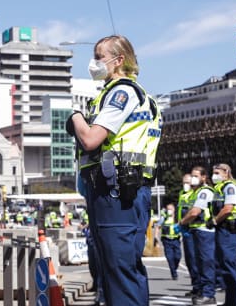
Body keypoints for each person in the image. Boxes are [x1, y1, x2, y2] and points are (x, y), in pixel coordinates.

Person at [66, 35, 159, 306]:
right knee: (117, 270)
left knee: (119, 271)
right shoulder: (117, 93)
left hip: (116, 191)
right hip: (116, 190)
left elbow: (91, 139)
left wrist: (74, 116)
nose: (94, 63)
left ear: (119, 60)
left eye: (99, 56)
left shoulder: (122, 92)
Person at [208, 163, 236, 306]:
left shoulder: (230, 187)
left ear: (226, 172)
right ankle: (231, 301)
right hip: (223, 230)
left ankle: (234, 302)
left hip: (228, 230)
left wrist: (215, 221)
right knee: (225, 267)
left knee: (229, 267)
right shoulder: (220, 188)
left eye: (217, 172)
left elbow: (228, 208)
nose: (214, 175)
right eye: (213, 172)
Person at [179, 166, 216, 305]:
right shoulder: (195, 192)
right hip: (196, 230)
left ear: (203, 177)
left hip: (204, 231)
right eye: (192, 175)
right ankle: (202, 291)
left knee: (206, 263)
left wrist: (182, 221)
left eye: (196, 176)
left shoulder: (204, 192)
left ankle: (209, 295)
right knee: (199, 264)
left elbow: (195, 212)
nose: (193, 178)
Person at [177, 173, 199, 296]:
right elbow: (180, 210)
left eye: (188, 182)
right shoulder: (182, 194)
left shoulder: (195, 194)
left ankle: (198, 287)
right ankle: (195, 286)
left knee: (194, 259)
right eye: (184, 182)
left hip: (191, 229)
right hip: (184, 229)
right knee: (189, 260)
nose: (185, 184)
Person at [155, 203, 181, 280]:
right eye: (168, 209)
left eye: (171, 209)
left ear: (174, 210)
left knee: (178, 256)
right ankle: (174, 274)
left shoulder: (177, 218)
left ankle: (174, 268)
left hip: (176, 240)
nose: (169, 211)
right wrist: (156, 237)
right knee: (170, 258)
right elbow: (158, 226)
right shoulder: (164, 218)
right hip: (167, 240)